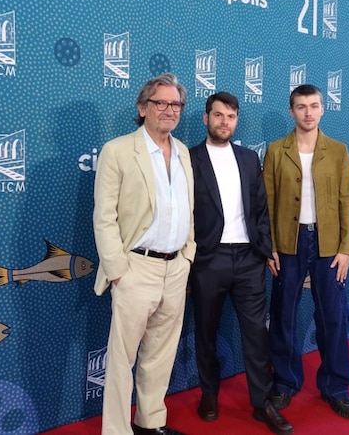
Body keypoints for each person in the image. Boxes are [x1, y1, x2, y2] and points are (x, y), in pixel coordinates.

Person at [92, 73, 195, 435]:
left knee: (160, 354)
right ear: (142, 108)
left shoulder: (183, 151)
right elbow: (103, 217)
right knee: (122, 359)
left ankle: (150, 424)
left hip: (175, 268)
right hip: (135, 268)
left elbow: (188, 209)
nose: (169, 110)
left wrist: (188, 255)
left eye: (176, 104)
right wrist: (118, 269)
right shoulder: (118, 150)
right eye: (160, 103)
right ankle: (117, 431)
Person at [189, 92, 293, 435]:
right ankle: (209, 393)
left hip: (249, 260)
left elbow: (260, 209)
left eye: (231, 117)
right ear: (206, 118)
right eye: (218, 115)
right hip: (209, 260)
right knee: (205, 332)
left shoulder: (249, 159)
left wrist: (265, 249)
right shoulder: (188, 160)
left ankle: (262, 403)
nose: (224, 122)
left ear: (236, 121)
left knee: (255, 335)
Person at [263, 84, 349, 419]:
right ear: (291, 111)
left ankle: (336, 386)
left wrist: (346, 248)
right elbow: (267, 203)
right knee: (283, 316)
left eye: (314, 106)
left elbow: (347, 200)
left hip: (329, 246)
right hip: (288, 246)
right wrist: (270, 247)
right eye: (301, 106)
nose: (308, 112)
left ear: (322, 109)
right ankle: (285, 383)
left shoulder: (338, 151)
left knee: (333, 317)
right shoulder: (276, 151)